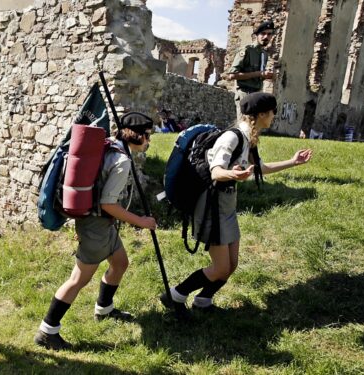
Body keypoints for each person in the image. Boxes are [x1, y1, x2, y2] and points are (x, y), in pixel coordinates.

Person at [160, 92, 312, 317]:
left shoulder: (248, 137)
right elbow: (216, 171)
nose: (273, 117)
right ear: (261, 114)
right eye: (272, 112)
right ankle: (174, 295)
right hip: (211, 204)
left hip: (226, 205)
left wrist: (293, 162)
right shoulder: (232, 137)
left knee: (230, 265)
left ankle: (203, 301)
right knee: (220, 268)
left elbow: (260, 168)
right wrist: (232, 174)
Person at [34, 112, 158, 350]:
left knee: (120, 263)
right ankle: (47, 330)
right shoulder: (121, 161)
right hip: (97, 225)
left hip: (101, 223)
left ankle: (104, 309)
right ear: (138, 135)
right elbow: (108, 204)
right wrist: (141, 222)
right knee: (78, 279)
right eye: (148, 136)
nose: (149, 142)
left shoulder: (108, 145)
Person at [225, 20, 277, 118]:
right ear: (257, 35)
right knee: (244, 126)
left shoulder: (264, 54)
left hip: (257, 93)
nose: (266, 37)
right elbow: (232, 75)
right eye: (263, 33)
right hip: (245, 93)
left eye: (269, 34)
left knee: (254, 128)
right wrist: (259, 73)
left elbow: (260, 76)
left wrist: (270, 75)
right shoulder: (247, 50)